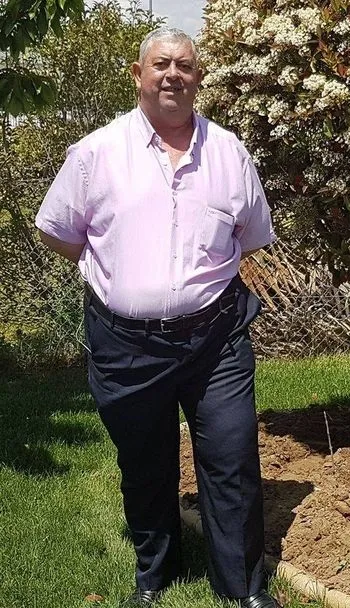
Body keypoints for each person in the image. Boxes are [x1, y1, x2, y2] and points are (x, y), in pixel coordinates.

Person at [35, 27, 281, 608]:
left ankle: (243, 587)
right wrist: (116, 273)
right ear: (138, 75)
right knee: (145, 463)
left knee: (231, 458)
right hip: (125, 345)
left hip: (216, 339)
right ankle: (157, 572)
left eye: (185, 65)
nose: (173, 74)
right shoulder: (96, 153)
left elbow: (250, 236)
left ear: (199, 78)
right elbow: (58, 231)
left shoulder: (229, 153)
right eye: (161, 64)